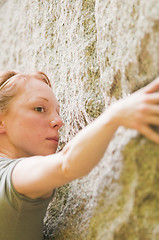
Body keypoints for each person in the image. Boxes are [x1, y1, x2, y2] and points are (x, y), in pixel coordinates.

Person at [0, 71, 159, 240]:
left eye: (58, 112)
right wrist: (114, 116)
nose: (58, 121)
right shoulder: (12, 175)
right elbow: (67, 164)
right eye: (39, 109)